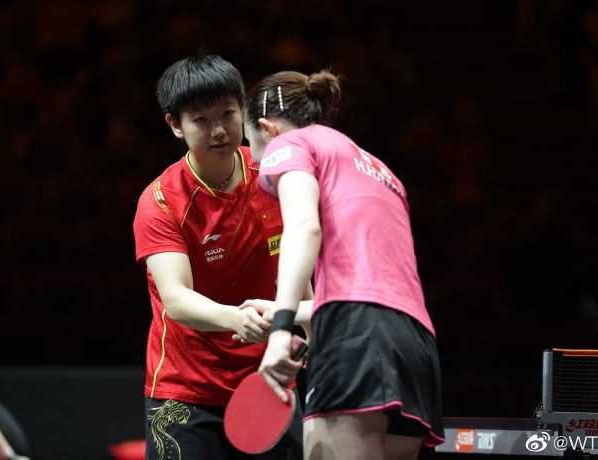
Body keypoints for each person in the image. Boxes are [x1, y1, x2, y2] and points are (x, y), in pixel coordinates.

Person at [242, 70, 444, 460]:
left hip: (356, 333)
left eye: (254, 148)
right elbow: (374, 287)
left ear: (267, 129)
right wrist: (291, 310)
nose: (259, 164)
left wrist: (281, 330)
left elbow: (304, 228)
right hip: (415, 342)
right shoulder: (380, 170)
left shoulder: (290, 144)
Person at [132, 54, 309, 460]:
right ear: (175, 125)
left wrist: (308, 332)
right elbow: (176, 299)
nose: (218, 131)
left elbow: (298, 265)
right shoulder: (161, 202)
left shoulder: (273, 173)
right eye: (201, 120)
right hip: (185, 391)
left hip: (268, 380)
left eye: (228, 114)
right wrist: (237, 319)